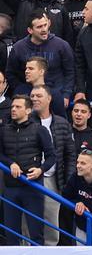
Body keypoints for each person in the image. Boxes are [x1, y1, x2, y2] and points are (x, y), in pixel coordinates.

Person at [0, 95, 54, 245]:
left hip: (33, 186)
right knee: (11, 234)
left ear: (28, 110)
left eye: (18, 107)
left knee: (36, 234)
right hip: (11, 187)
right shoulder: (3, 131)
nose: (13, 109)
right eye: (12, 107)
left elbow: (51, 156)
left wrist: (40, 170)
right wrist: (11, 163)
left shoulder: (40, 130)